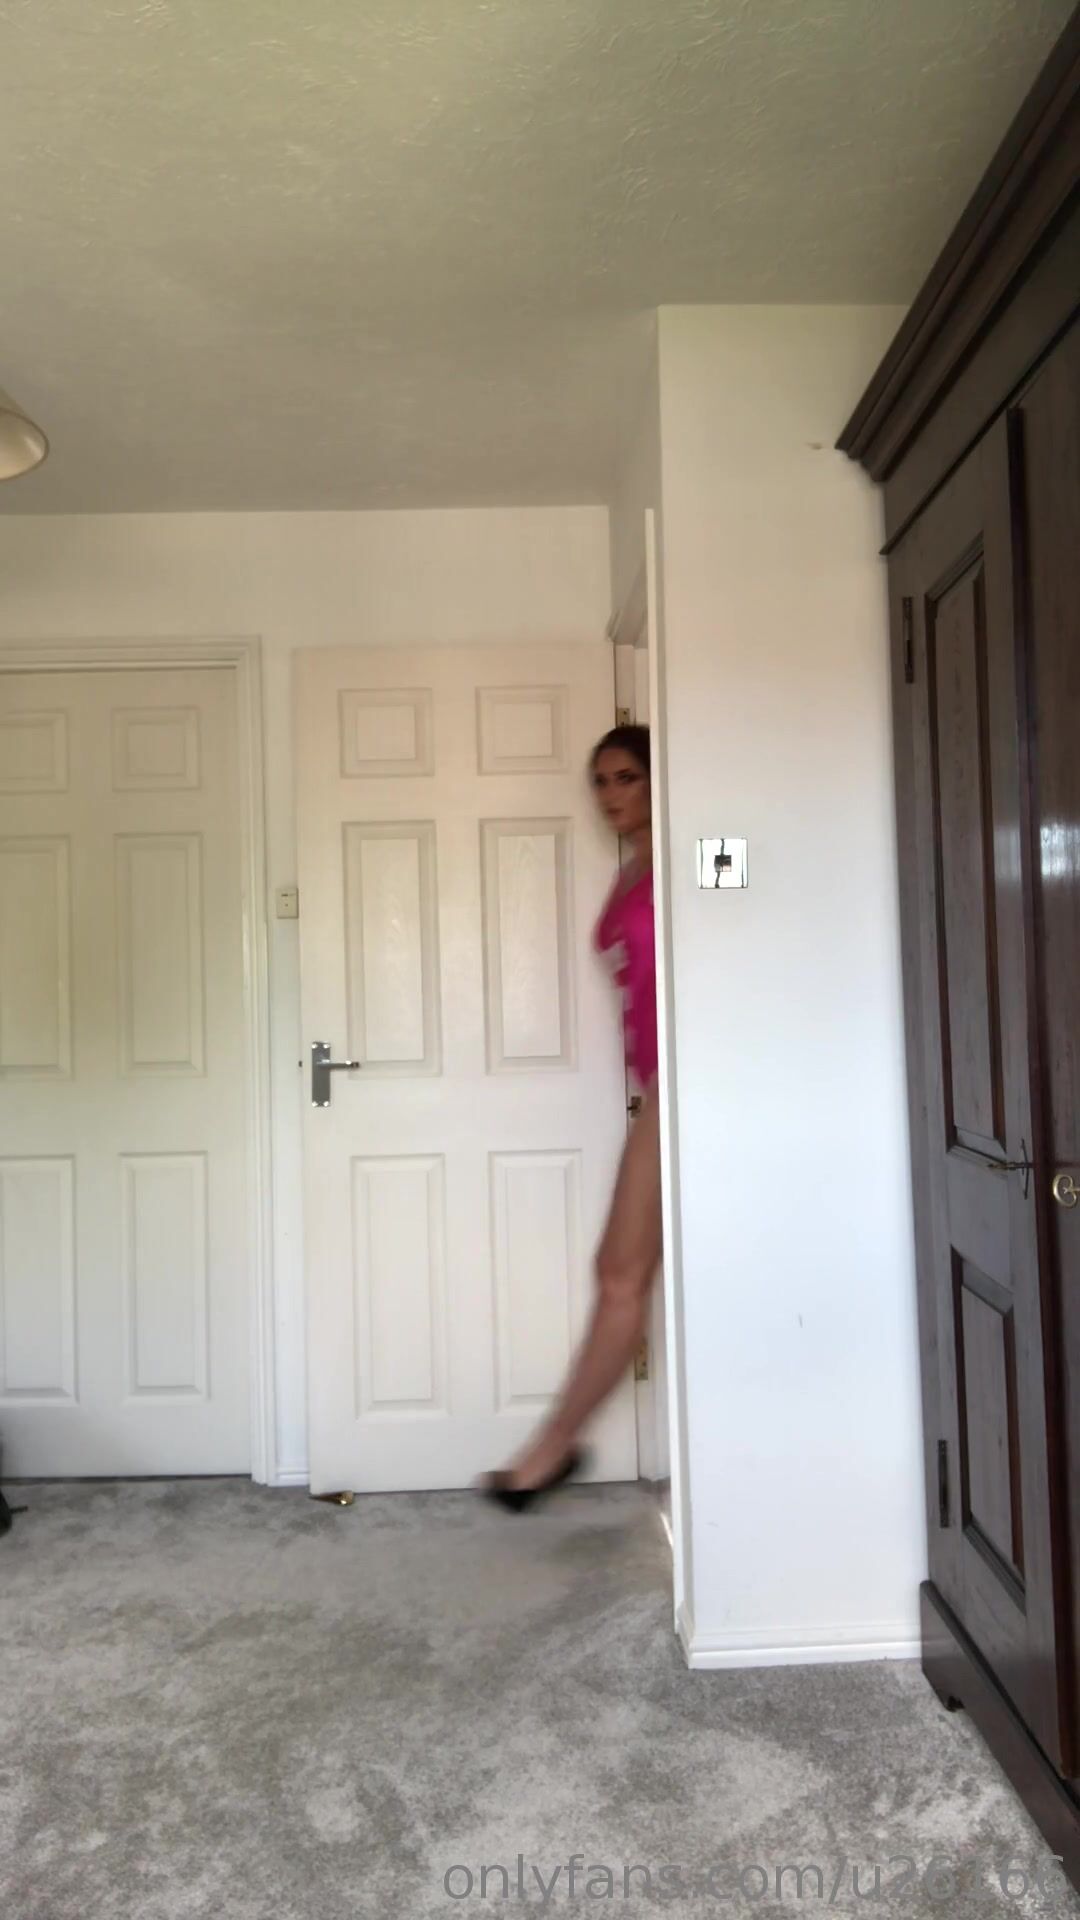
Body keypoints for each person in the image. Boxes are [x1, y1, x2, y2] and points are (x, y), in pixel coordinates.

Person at [482, 724, 660, 1513]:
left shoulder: (687, 859)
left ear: (658, 779)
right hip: (657, 1089)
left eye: (626, 777)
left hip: (688, 1087)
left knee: (620, 1275)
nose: (609, 794)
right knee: (620, 1275)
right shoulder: (633, 871)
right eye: (600, 780)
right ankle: (551, 1450)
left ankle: (548, 1452)